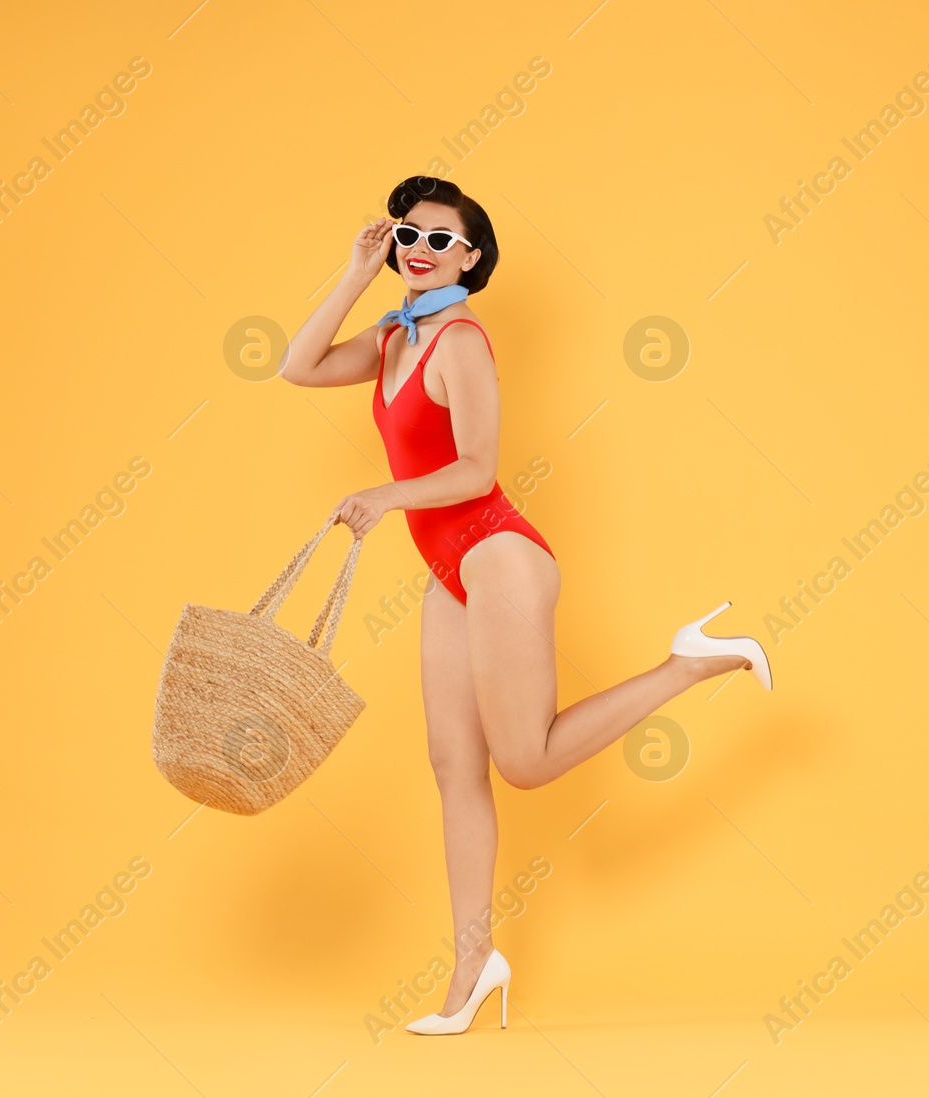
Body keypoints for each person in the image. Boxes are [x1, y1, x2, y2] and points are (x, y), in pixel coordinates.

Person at [280, 175, 772, 1035]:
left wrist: (387, 497)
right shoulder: (396, 335)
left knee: (526, 761)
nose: (420, 250)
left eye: (441, 239)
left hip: (498, 554)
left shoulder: (460, 341)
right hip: (450, 571)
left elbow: (476, 469)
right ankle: (473, 964)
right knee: (452, 767)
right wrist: (357, 272)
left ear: (471, 257)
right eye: (408, 234)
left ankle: (689, 662)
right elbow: (297, 366)